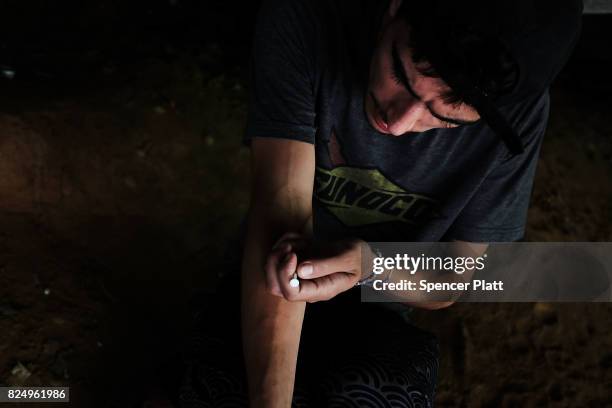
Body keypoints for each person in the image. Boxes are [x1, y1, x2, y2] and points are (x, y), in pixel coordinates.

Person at [177, 0, 583, 406]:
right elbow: (281, 214)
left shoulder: (520, 114)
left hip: (381, 306)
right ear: (395, 8)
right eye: (402, 76)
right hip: (264, 275)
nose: (399, 122)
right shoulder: (306, 17)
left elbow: (456, 276)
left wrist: (371, 266)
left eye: (445, 118)